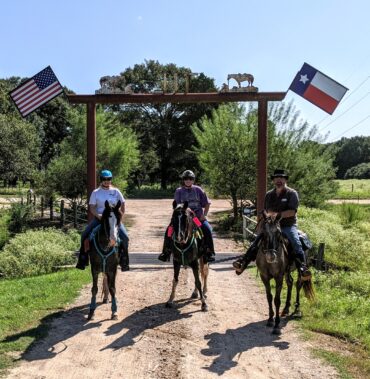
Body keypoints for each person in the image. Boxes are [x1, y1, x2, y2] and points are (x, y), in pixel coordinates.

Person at [233, 169, 311, 278]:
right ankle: (243, 263)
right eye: (276, 178)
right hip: (272, 225)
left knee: (296, 242)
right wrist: (264, 214)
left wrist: (277, 215)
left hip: (287, 225)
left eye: (281, 178)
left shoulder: (292, 193)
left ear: (285, 180)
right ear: (274, 181)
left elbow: (292, 211)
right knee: (256, 241)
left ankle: (303, 268)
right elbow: (266, 210)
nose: (279, 180)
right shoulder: (269, 195)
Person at [76, 169, 129, 271]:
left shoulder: (116, 191)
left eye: (108, 179)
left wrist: (119, 218)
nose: (106, 181)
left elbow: (122, 205)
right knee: (84, 234)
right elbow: (91, 207)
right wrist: (97, 215)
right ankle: (83, 259)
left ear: (111, 179)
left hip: (114, 219)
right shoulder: (96, 192)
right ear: (101, 179)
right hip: (100, 218)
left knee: (125, 237)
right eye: (104, 179)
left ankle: (124, 261)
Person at [158, 169, 216, 263]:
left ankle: (209, 252)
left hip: (196, 218)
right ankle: (166, 252)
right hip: (183, 218)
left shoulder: (199, 190)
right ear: (183, 180)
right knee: (169, 230)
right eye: (186, 178)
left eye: (190, 178)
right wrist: (185, 210)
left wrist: (204, 215)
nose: (188, 180)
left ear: (193, 180)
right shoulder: (179, 191)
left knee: (207, 229)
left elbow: (207, 203)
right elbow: (177, 205)